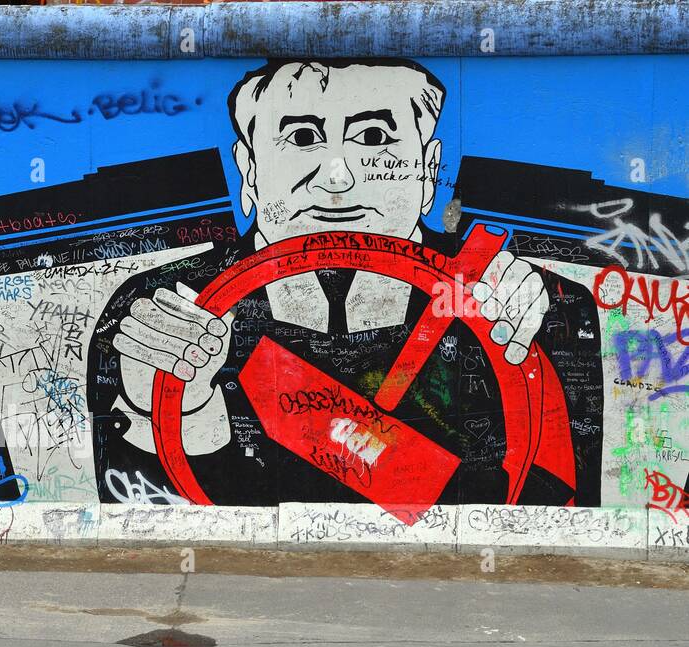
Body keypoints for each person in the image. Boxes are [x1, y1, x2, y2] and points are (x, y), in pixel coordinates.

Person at [93, 57, 603, 511]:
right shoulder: (160, 312)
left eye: (374, 137)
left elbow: (551, 521)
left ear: (427, 168)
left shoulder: (531, 305)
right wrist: (169, 409)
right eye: (301, 138)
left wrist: (532, 345)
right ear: (249, 170)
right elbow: (140, 534)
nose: (335, 177)